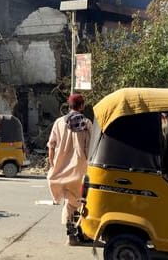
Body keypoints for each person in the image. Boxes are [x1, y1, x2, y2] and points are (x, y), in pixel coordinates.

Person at [46, 93, 92, 245]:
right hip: (81, 170)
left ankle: (71, 236)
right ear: (81, 106)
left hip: (62, 170)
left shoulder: (59, 122)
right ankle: (83, 233)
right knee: (83, 202)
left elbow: (51, 146)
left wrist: (53, 165)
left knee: (69, 204)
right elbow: (90, 148)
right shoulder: (86, 123)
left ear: (69, 106)